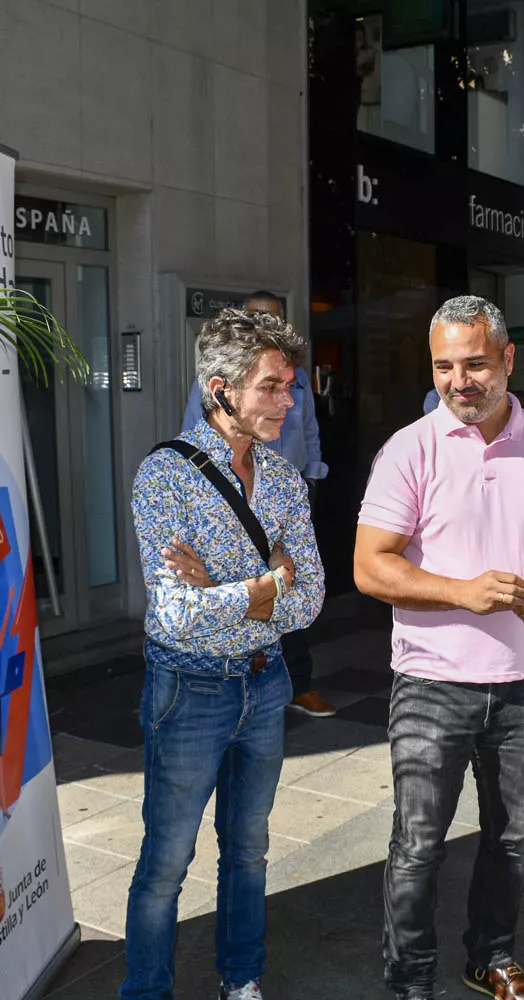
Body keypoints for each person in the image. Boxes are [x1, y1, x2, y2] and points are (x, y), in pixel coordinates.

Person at [355, 295, 524, 1000]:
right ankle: (410, 982)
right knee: (418, 846)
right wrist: (463, 592)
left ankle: (490, 957)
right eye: (445, 365)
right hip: (431, 683)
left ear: (509, 359)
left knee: (513, 839)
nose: (461, 380)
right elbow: (371, 566)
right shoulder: (410, 449)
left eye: (476, 363)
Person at [125, 308, 326, 1000]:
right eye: (271, 388)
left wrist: (225, 588)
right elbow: (175, 615)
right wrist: (268, 583)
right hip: (190, 690)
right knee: (166, 861)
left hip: (267, 684)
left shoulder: (282, 478)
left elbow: (313, 600)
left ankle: (241, 981)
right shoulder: (164, 477)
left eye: (291, 388)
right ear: (221, 390)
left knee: (249, 854)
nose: (287, 402)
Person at [184, 292, 337, 717]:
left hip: (287, 492)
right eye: (255, 319)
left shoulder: (295, 378)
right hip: (231, 498)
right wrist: (275, 583)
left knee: (296, 592)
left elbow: (309, 430)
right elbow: (181, 608)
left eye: (272, 320)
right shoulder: (218, 383)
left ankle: (297, 685)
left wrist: (313, 475)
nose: (282, 399)